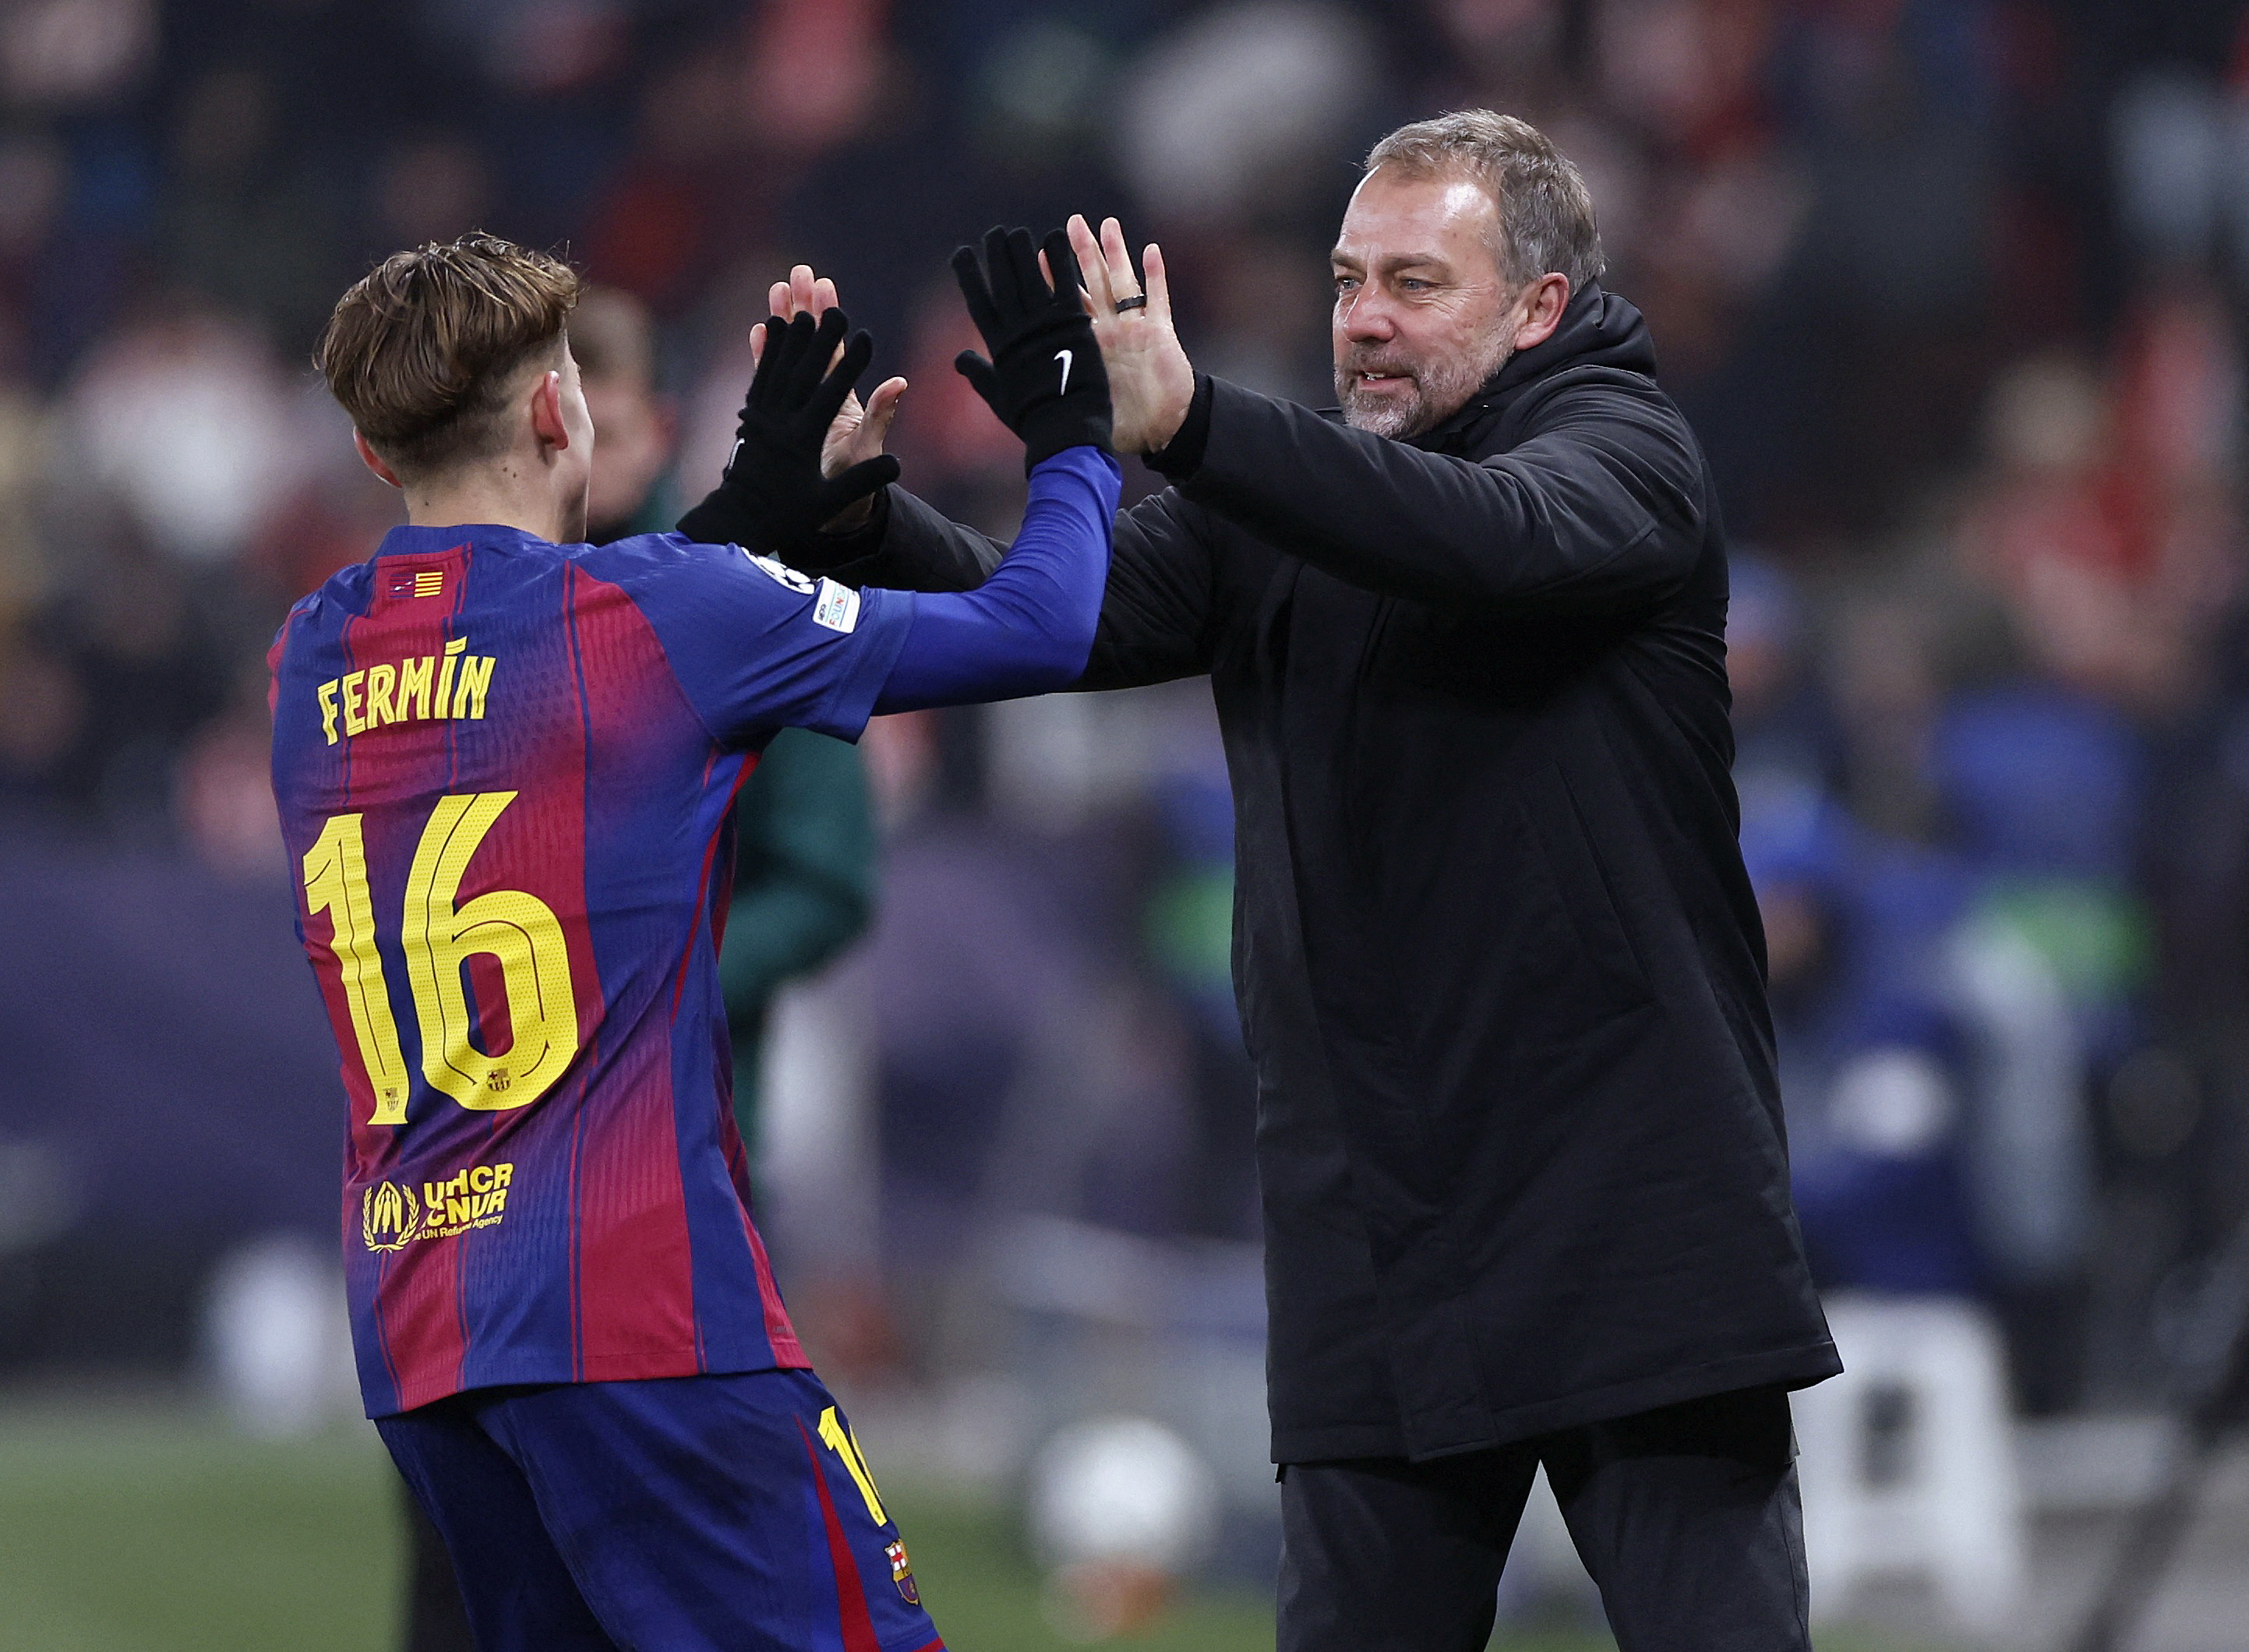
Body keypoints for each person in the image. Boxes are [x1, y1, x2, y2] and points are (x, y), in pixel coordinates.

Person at [736, 112, 1843, 1650]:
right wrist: (853, 509)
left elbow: (1491, 541)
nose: (1365, 318)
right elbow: (1045, 615)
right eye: (1344, 280)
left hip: (1626, 1219)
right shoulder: (1286, 502)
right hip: (1375, 1237)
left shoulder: (1624, 454)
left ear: (1539, 309)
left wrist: (1196, 430)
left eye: (1413, 281)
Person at [270, 228, 1117, 1651]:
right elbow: (1047, 623)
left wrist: (752, 508)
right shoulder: (667, 610)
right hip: (645, 1316)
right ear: (560, 410)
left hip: (423, 1335)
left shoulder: (310, 652)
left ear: (370, 451)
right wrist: (1073, 431)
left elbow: (554, 663)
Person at [393, 281, 884, 1652]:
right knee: (467, 1600)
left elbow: (829, 881)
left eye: (588, 429)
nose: (562, 463)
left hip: (665, 1173)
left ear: (650, 426)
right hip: (473, 1185)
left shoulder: (739, 611)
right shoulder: (465, 625)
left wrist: (617, 991)